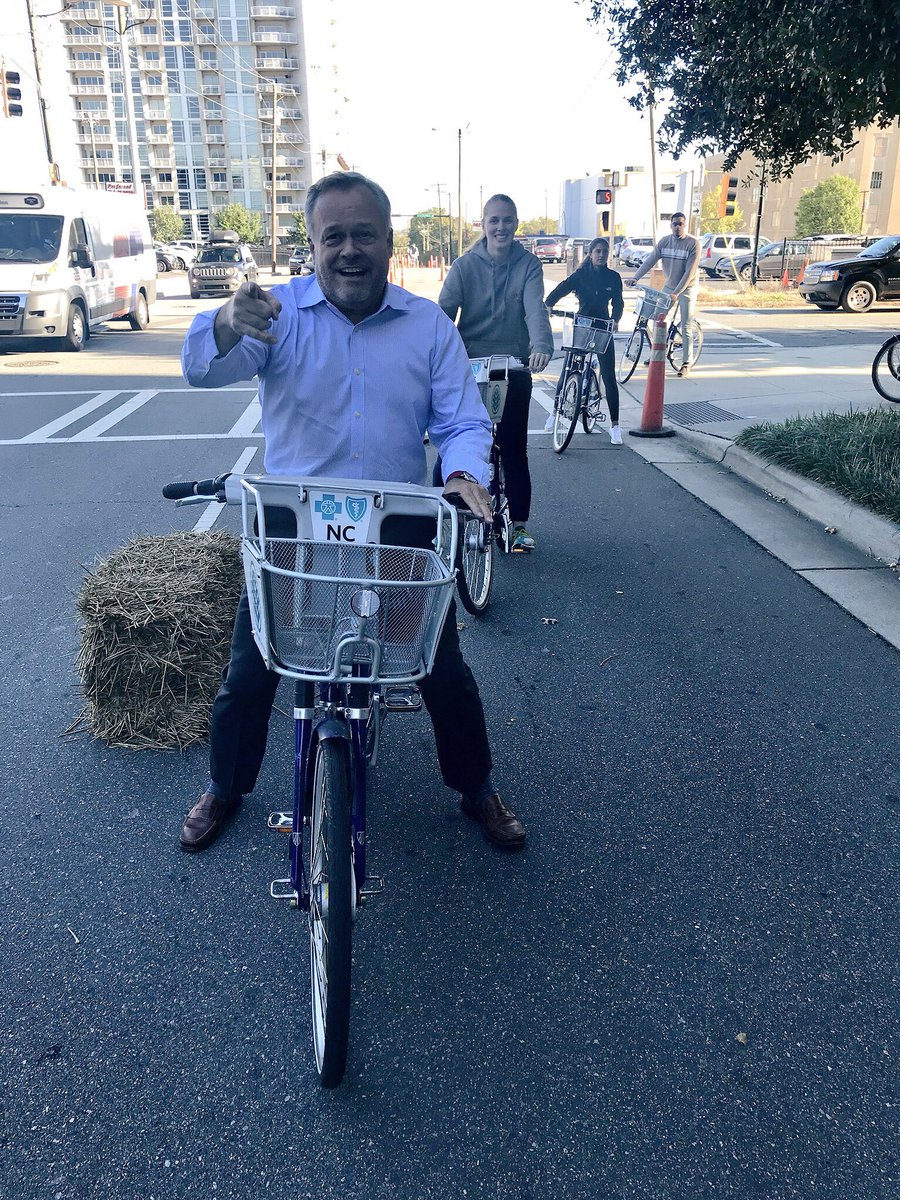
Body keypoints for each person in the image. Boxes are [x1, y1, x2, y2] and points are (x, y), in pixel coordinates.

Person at [178, 171, 527, 853]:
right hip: (293, 533)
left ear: (388, 240)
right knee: (251, 671)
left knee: (441, 671)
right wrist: (223, 321)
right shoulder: (274, 317)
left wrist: (461, 476)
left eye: (362, 234)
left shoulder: (426, 327)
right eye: (331, 236)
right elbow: (200, 367)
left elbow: (461, 419)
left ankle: (476, 787)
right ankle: (225, 787)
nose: (347, 250)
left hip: (396, 532)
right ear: (310, 244)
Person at [437, 194, 553, 553]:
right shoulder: (464, 266)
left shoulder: (529, 265)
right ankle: (440, 515)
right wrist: (439, 355)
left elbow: (536, 309)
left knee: (515, 446)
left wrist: (541, 346)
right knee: (453, 445)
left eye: (507, 220)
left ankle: (518, 525)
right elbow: (442, 317)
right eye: (494, 220)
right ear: (483, 224)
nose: (500, 227)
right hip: (470, 369)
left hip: (513, 366)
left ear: (516, 223)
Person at [544, 237, 625, 443]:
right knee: (568, 368)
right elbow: (562, 288)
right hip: (582, 325)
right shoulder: (581, 275)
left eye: (604, 252)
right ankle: (554, 413)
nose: (600, 255)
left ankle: (615, 426)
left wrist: (615, 320)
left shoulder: (613, 277)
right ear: (590, 254)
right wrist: (549, 304)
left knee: (608, 377)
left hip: (603, 327)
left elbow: (618, 302)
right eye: (597, 251)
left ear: (608, 255)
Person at [629, 212, 700, 376]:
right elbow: (650, 260)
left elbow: (689, 273)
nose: (678, 227)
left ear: (685, 225)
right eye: (675, 224)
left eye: (681, 224)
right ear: (670, 225)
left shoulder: (693, 244)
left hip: (687, 287)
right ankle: (657, 354)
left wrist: (676, 293)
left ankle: (686, 362)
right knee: (658, 318)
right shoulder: (665, 242)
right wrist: (635, 277)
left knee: (687, 324)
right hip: (669, 286)